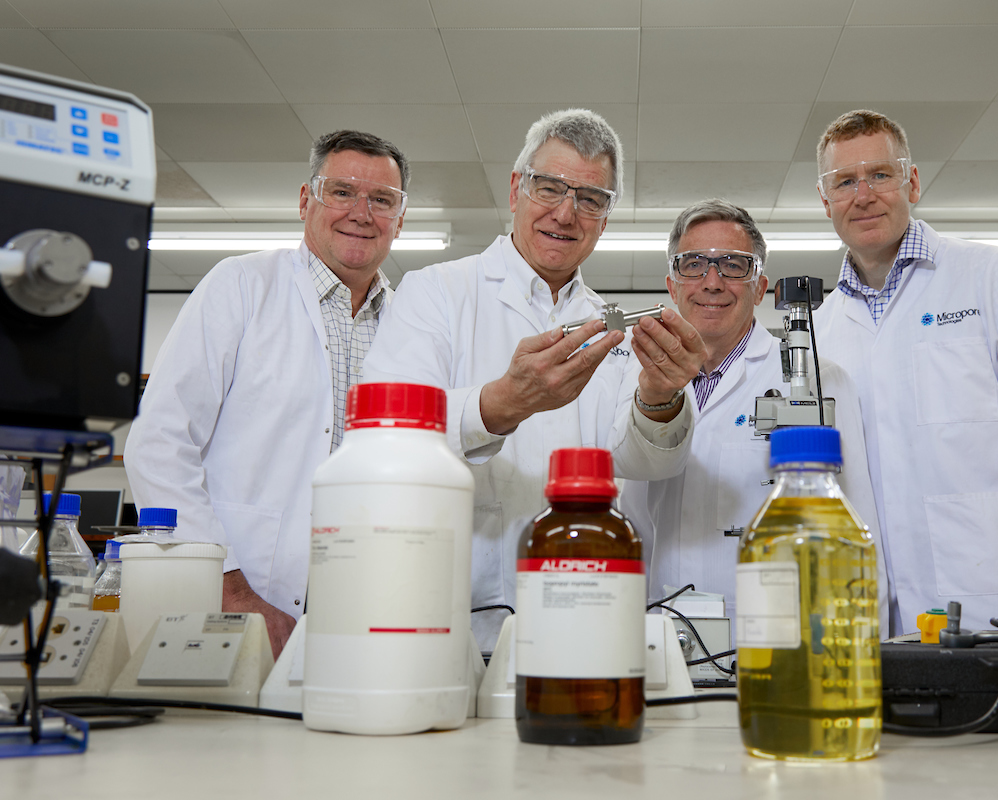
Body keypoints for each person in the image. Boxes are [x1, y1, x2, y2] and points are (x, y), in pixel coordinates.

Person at [363, 109, 707, 650]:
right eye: (550, 187)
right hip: (456, 620)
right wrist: (499, 404)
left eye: (590, 199)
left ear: (606, 216)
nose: (566, 214)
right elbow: (384, 435)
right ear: (516, 190)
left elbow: (644, 462)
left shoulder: (609, 322)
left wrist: (659, 399)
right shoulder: (436, 293)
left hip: (586, 611)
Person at [125, 130, 410, 657]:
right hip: (240, 597)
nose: (362, 213)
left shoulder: (412, 322)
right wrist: (230, 589)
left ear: (400, 217)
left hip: (369, 605)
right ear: (307, 200)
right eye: (342, 191)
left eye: (382, 200)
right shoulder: (240, 286)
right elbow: (160, 443)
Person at [810, 109, 998, 634]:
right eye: (844, 182)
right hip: (879, 615)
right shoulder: (821, 331)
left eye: (880, 174)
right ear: (825, 201)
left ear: (912, 182)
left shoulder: (996, 276)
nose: (863, 194)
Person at [620, 199, 888, 635]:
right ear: (672, 285)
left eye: (733, 265)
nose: (712, 282)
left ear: (760, 287)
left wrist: (865, 648)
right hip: (660, 635)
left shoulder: (820, 381)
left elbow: (858, 525)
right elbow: (627, 518)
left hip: (779, 636)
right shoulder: (631, 379)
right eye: (693, 264)